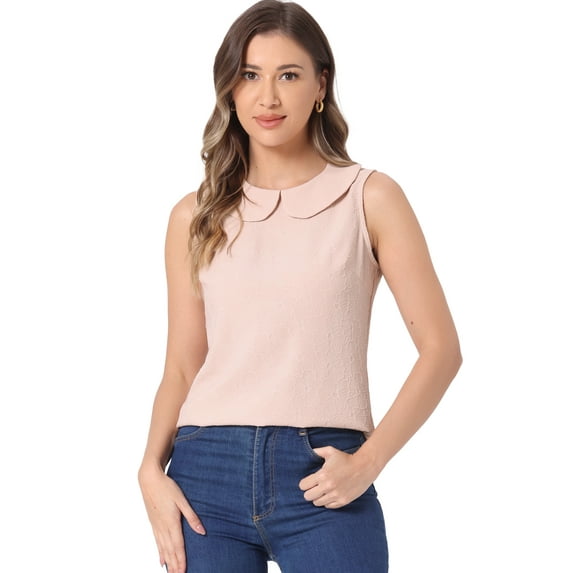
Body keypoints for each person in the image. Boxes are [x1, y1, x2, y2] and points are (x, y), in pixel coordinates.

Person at [138, 1, 462, 571]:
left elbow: (441, 351)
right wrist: (148, 469)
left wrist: (370, 462)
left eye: (288, 75)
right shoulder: (194, 215)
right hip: (204, 473)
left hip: (324, 471)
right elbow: (183, 368)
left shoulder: (370, 198)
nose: (267, 97)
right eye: (250, 75)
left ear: (321, 86)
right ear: (229, 89)